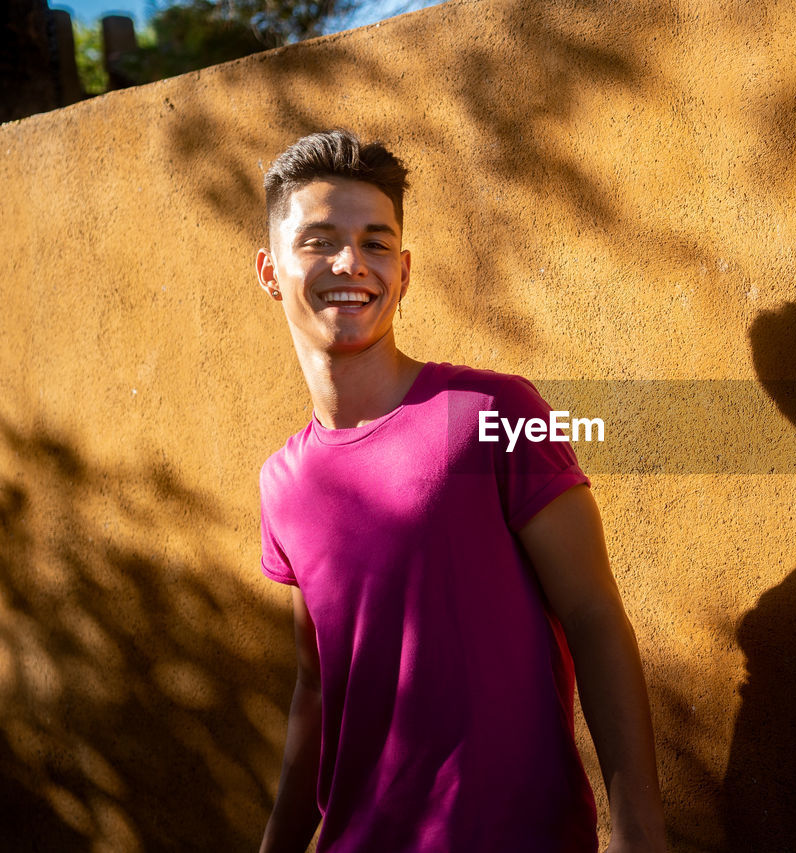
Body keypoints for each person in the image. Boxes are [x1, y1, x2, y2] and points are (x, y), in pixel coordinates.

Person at [253, 129, 665, 853]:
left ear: (404, 272)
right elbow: (318, 688)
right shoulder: (281, 483)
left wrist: (639, 832)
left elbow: (594, 613)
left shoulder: (496, 411)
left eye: (377, 243)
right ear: (269, 269)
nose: (352, 262)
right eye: (319, 240)